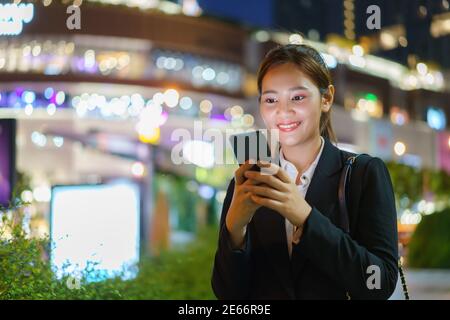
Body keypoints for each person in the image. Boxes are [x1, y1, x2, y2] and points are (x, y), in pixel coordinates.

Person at [211, 44, 399, 299]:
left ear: (326, 98)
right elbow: (228, 295)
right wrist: (235, 230)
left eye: (297, 97)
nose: (283, 110)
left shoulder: (364, 174)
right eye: (271, 99)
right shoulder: (249, 183)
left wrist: (305, 217)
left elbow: (380, 283)